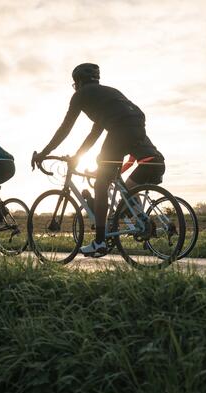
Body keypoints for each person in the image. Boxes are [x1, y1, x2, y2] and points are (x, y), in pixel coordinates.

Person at [31, 63, 165, 257]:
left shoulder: (80, 96)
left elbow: (65, 129)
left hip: (120, 128)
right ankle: (131, 217)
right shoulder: (107, 95)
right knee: (108, 172)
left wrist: (44, 153)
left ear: (78, 82)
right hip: (136, 123)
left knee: (101, 183)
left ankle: (100, 242)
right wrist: (78, 156)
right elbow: (94, 134)